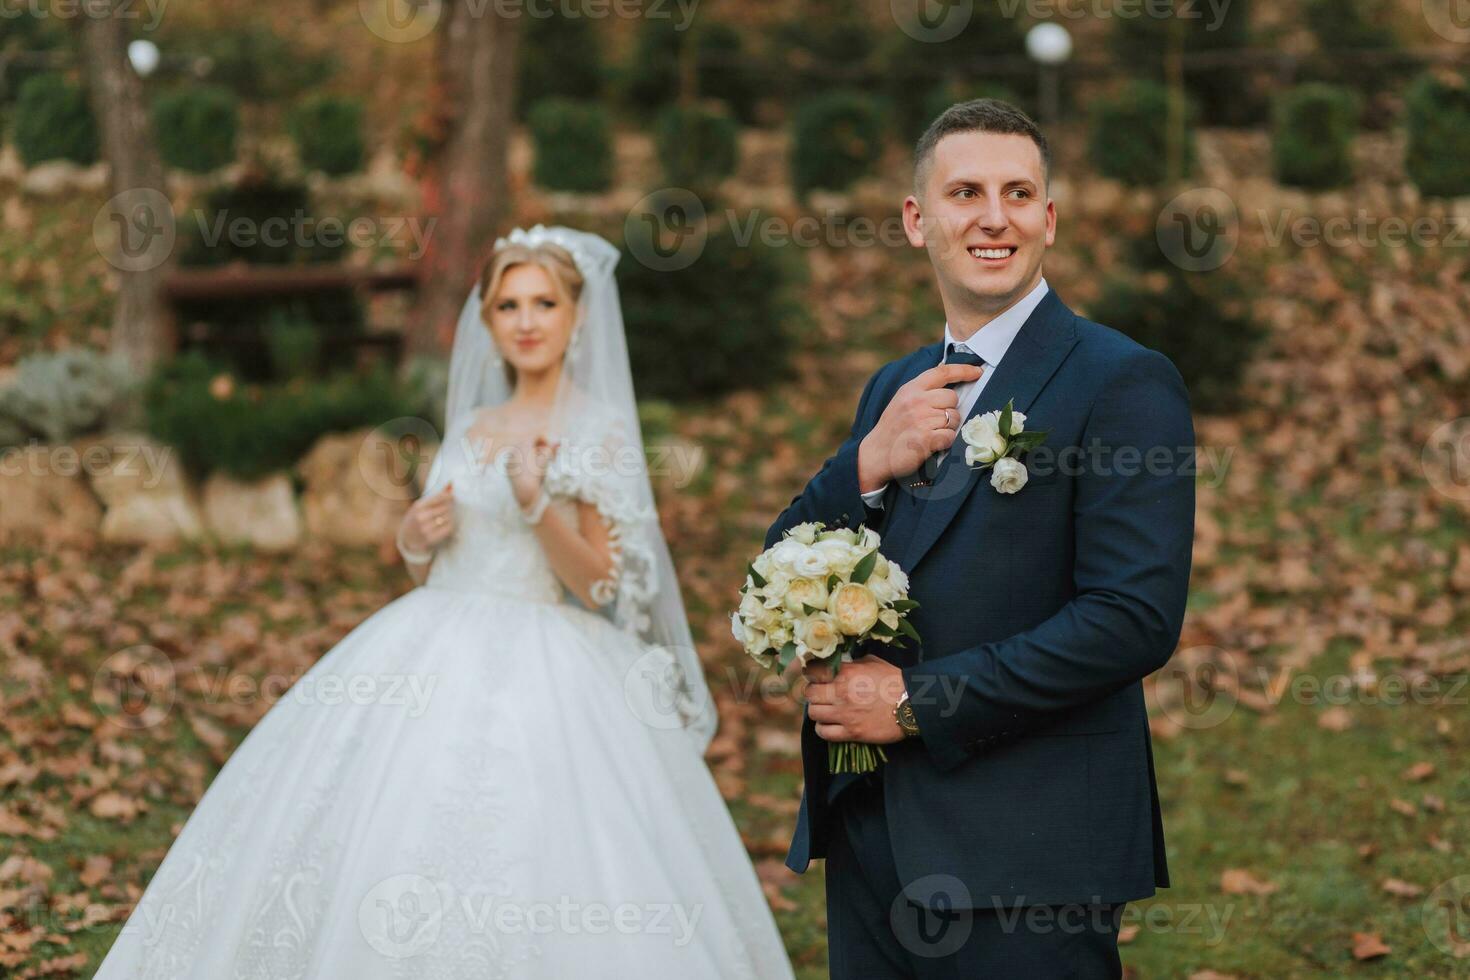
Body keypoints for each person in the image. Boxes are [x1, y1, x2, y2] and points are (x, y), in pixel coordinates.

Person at [94, 225, 796, 980]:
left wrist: (537, 505)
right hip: (431, 638)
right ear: (487, 320)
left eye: (544, 303)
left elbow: (599, 584)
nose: (526, 321)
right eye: (507, 305)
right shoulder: (469, 427)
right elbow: (434, 564)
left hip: (549, 661)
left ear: (578, 316)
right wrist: (415, 536)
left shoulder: (601, 432)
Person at [766, 99, 1196, 978]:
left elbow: (1130, 619)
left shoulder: (1123, 382)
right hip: (869, 831)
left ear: (1048, 218)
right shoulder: (895, 384)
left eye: (1017, 192)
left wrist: (917, 703)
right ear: (918, 220)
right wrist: (868, 461)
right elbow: (778, 571)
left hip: (1027, 854)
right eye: (966, 192)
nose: (993, 217)